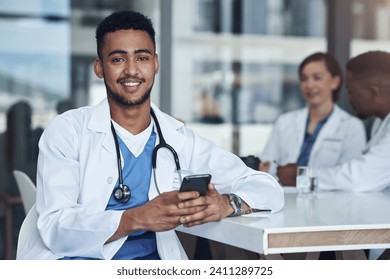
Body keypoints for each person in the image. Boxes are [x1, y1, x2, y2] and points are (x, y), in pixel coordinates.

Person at [17, 10, 284, 260]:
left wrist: (228, 204)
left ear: (155, 64)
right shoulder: (68, 131)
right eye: (118, 59)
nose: (131, 70)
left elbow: (268, 188)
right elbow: (55, 226)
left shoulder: (178, 138)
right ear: (99, 68)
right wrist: (135, 218)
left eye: (142, 58)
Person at [277, 51, 390, 192]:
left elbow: (359, 178)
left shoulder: (354, 125)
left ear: (373, 92)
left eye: (351, 92)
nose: (349, 99)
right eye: (304, 79)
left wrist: (300, 177)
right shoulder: (381, 123)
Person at [260, 52, 366, 181]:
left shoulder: (351, 127)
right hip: (283, 197)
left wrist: (299, 177)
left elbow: (351, 176)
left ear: (335, 81)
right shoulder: (284, 121)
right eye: (304, 79)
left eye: (317, 78)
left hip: (330, 200)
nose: (309, 85)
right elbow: (266, 166)